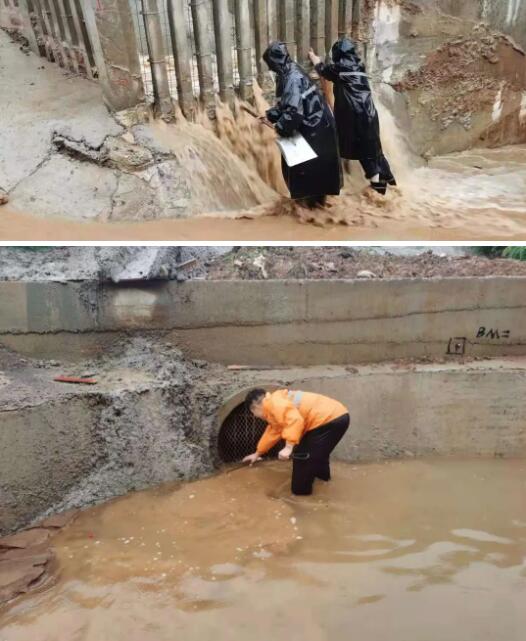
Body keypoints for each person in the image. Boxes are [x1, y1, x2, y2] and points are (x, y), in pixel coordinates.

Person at [308, 37, 396, 195]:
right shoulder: (359, 66)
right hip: (370, 114)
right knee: (372, 151)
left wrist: (315, 59)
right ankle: (387, 187)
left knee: (352, 150)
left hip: (354, 118)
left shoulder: (340, 68)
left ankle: (373, 192)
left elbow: (323, 70)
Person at [262, 41, 342, 209]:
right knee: (315, 186)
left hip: (314, 130)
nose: (271, 69)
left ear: (276, 62)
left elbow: (293, 113)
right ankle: (317, 220)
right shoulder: (292, 70)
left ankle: (310, 218)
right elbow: (290, 104)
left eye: (271, 65)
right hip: (319, 127)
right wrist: (270, 115)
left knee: (308, 184)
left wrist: (280, 127)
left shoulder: (291, 78)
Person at [242, 388, 350, 496]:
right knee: (317, 456)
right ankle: (324, 483)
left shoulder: (274, 404)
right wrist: (258, 453)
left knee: (302, 458)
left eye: (253, 413)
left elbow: (295, 420)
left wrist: (288, 447)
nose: (256, 416)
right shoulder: (274, 404)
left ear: (254, 407)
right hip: (336, 416)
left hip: (328, 420)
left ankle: (302, 499)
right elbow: (273, 432)